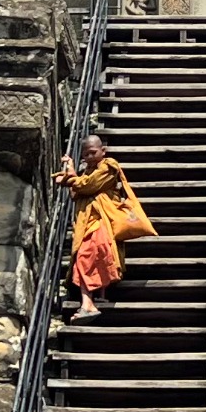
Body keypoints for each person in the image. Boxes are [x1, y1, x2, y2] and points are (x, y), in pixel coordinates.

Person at [57, 132, 151, 321]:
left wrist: (69, 179)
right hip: (88, 221)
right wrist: (72, 171)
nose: (90, 157)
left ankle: (89, 303)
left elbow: (88, 186)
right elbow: (77, 194)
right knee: (89, 256)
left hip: (103, 220)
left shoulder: (109, 167)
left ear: (103, 150)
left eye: (93, 152)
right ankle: (93, 300)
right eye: (85, 155)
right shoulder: (86, 172)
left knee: (91, 255)